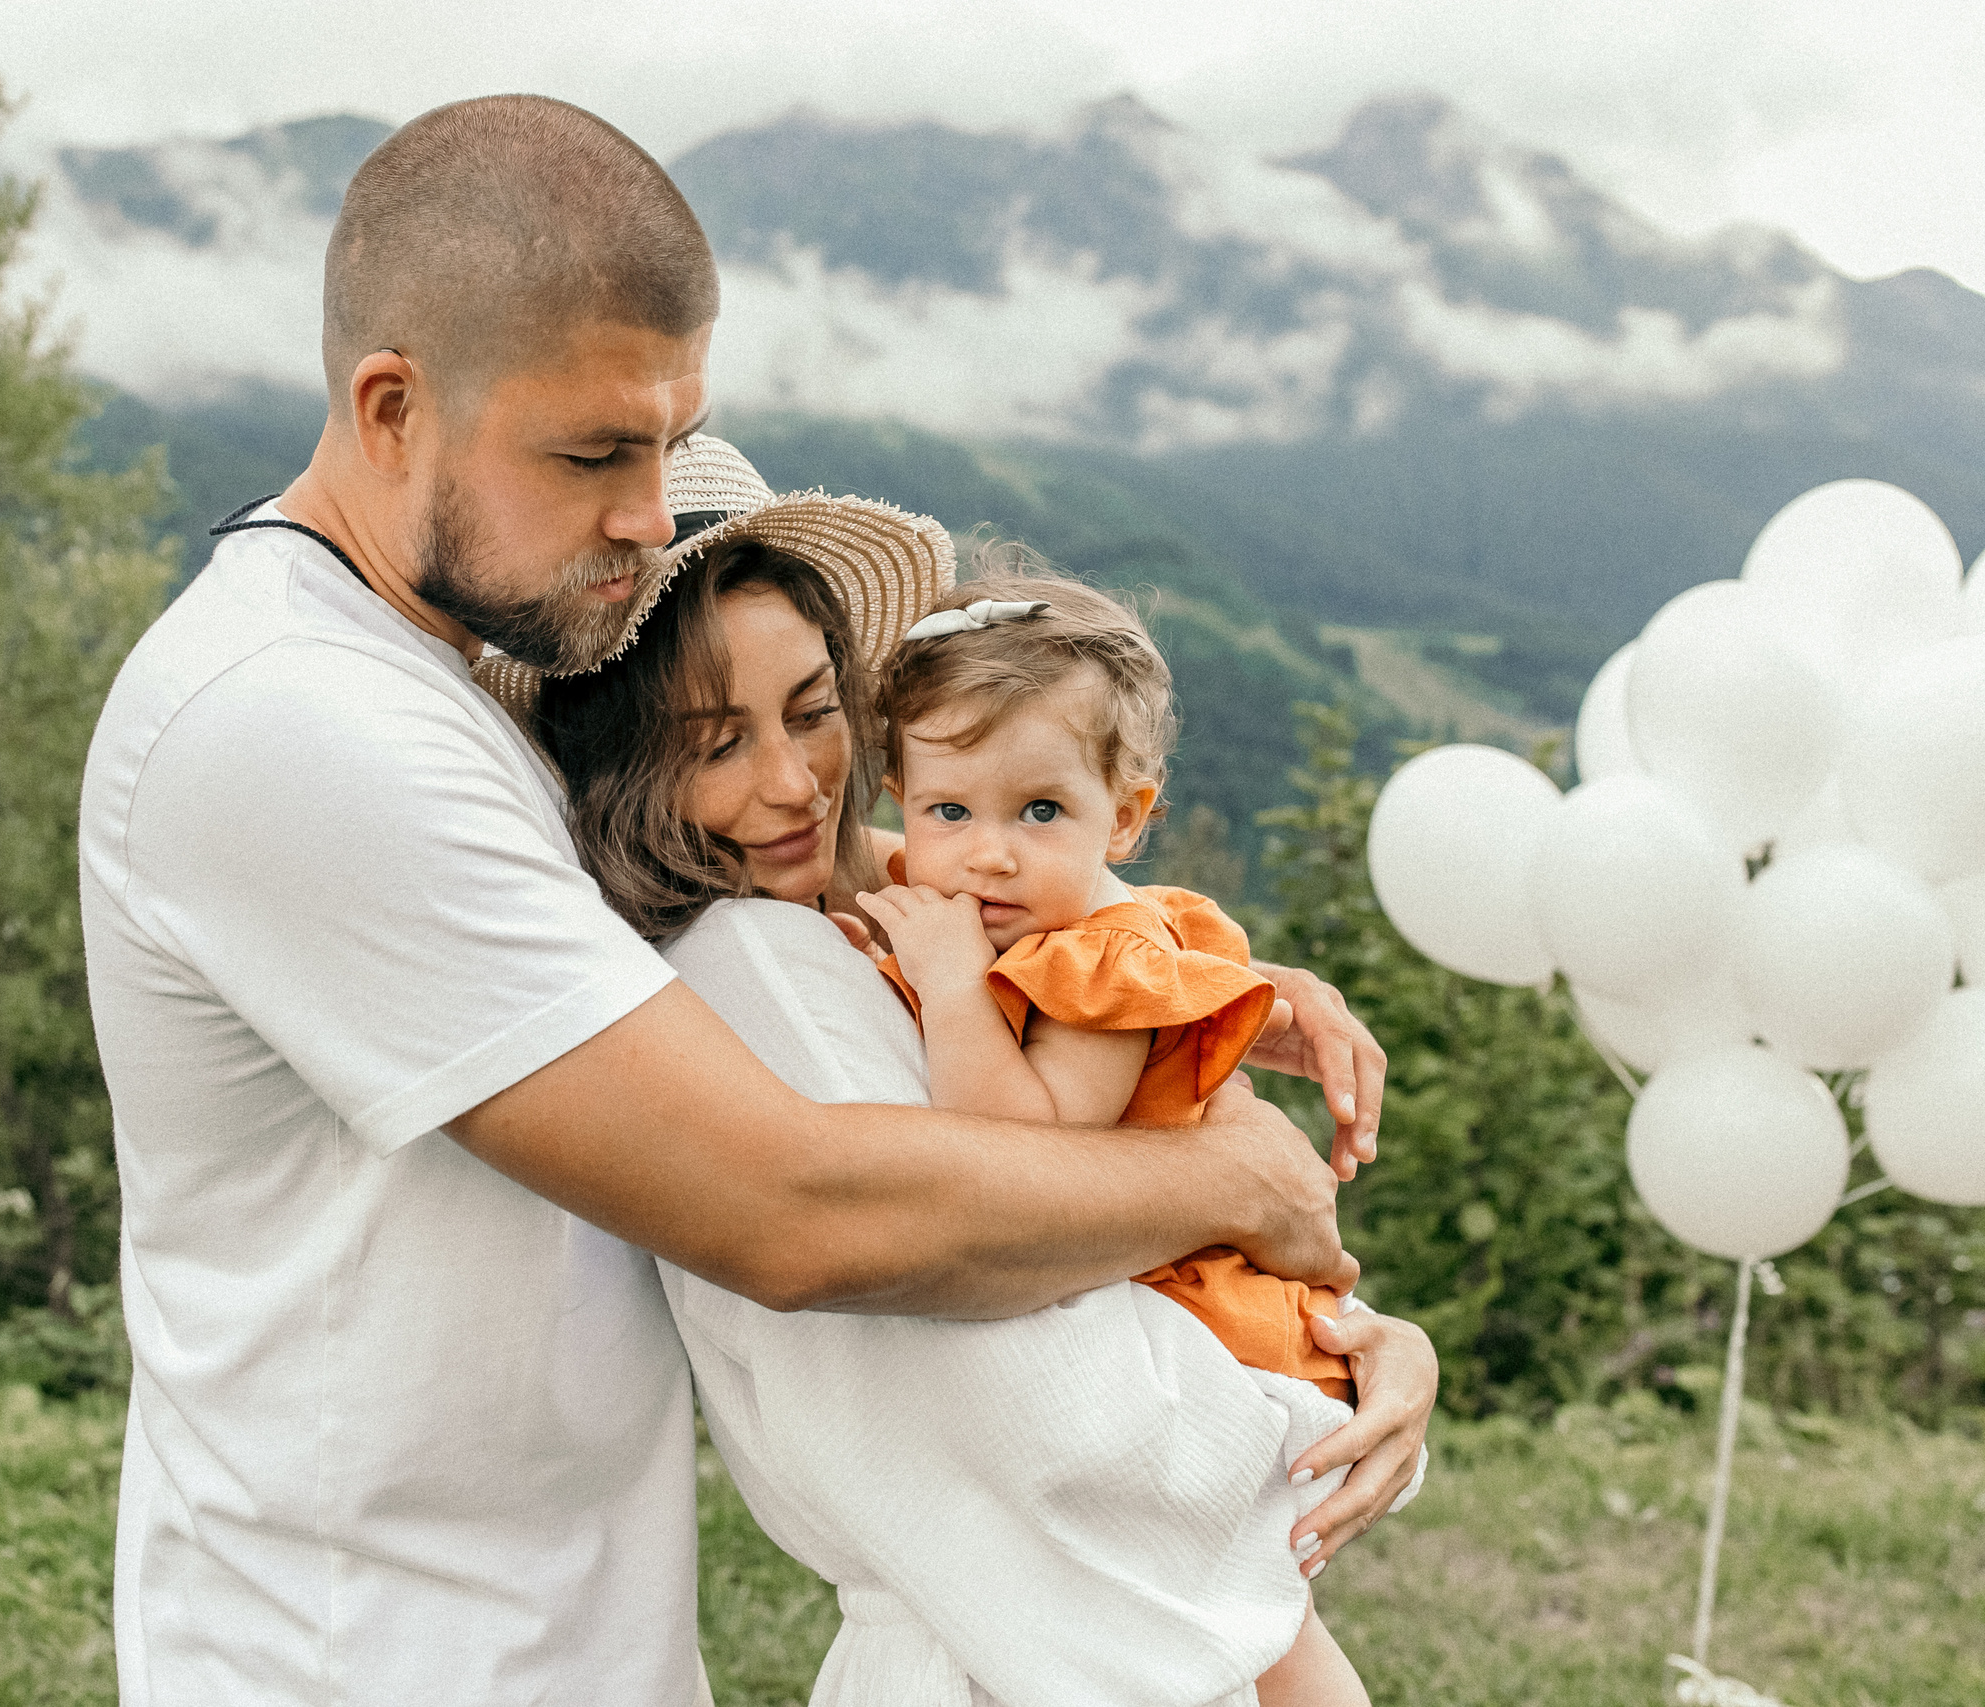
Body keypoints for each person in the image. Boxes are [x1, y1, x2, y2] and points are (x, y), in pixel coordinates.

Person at [80, 93, 1431, 1705]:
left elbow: (847, 883)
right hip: (364, 1656)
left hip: (554, 1644)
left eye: (671, 441)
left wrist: (1202, 1005)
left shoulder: (448, 695)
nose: (650, 512)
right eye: (595, 452)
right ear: (391, 409)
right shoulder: (294, 720)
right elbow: (793, 1206)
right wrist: (1234, 1182)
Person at [516, 441, 1417, 1706]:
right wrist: (1284, 1359)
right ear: (624, 759)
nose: (791, 785)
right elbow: (1040, 1378)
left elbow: (961, 894)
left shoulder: (926, 918)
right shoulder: (748, 971)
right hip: (1049, 1627)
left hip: (1083, 1616)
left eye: (814, 713)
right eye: (714, 744)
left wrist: (1361, 1346)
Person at [859, 571, 1373, 1703]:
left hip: (1199, 1326)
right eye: (949, 812)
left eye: (1041, 812)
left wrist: (949, 986)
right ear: (901, 800)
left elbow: (1024, 1143)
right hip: (1129, 1292)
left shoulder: (1105, 965)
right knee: (1227, 1617)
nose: (988, 853)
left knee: (1251, 1625)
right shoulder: (1000, 903)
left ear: (1126, 818)